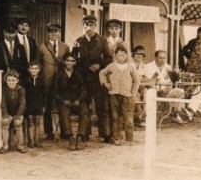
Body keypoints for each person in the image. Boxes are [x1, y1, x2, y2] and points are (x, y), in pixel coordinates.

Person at [73, 14, 110, 142]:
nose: (89, 27)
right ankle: (85, 133)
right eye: (86, 25)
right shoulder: (78, 41)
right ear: (83, 26)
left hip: (98, 78)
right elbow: (73, 59)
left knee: (102, 106)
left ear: (95, 26)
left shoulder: (103, 41)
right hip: (83, 79)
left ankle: (105, 133)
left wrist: (98, 65)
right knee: (85, 106)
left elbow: (108, 58)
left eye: (91, 25)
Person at [99, 45, 140, 145]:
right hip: (114, 95)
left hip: (127, 96)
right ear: (115, 56)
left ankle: (129, 139)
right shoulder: (111, 66)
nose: (121, 57)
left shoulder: (130, 67)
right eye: (119, 55)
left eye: (123, 55)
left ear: (126, 56)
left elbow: (136, 80)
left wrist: (132, 93)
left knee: (128, 118)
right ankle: (116, 138)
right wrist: (106, 84)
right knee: (115, 117)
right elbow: (102, 73)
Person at [38, 23, 70, 141]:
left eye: (56, 31)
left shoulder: (65, 47)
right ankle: (49, 132)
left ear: (59, 33)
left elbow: (68, 62)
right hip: (47, 81)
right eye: (51, 31)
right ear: (47, 33)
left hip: (61, 81)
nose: (53, 33)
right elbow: (38, 64)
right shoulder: (42, 47)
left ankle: (64, 131)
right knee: (47, 106)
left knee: (62, 106)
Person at [53, 51, 89, 150]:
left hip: (77, 102)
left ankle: (80, 137)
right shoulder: (58, 75)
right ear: (64, 62)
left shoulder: (78, 74)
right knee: (64, 112)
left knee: (85, 111)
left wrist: (79, 100)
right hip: (64, 102)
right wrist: (63, 100)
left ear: (75, 62)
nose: (70, 63)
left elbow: (84, 90)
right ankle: (70, 138)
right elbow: (55, 92)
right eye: (67, 60)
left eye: (72, 61)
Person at [145, 50, 188, 124]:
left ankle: (175, 113)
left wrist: (169, 87)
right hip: (153, 91)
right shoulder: (148, 66)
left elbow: (172, 81)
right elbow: (147, 82)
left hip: (166, 91)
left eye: (164, 58)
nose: (162, 60)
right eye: (160, 58)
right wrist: (155, 87)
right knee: (149, 92)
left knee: (180, 92)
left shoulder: (168, 67)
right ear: (155, 57)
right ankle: (149, 118)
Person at [0, 69, 27, 154]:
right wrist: (5, 115)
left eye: (13, 80)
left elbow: (22, 104)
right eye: (9, 80)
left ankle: (20, 145)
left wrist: (18, 116)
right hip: (8, 112)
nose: (11, 82)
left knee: (18, 123)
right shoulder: (4, 90)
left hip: (18, 112)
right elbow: (3, 103)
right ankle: (5, 145)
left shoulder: (21, 90)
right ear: (6, 80)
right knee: (5, 123)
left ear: (17, 80)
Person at [22, 61, 46, 148]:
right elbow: (23, 95)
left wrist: (44, 105)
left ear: (39, 69)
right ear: (28, 69)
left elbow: (44, 94)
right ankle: (31, 141)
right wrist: (24, 105)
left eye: (36, 68)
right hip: (29, 105)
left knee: (38, 123)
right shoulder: (26, 81)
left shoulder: (41, 80)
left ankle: (37, 141)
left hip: (39, 105)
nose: (34, 70)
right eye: (32, 68)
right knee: (30, 123)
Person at [131, 45, 149, 127]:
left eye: (141, 54)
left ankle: (145, 116)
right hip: (131, 87)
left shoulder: (144, 66)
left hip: (142, 87)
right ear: (133, 55)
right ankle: (139, 115)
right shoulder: (129, 65)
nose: (139, 56)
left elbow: (146, 77)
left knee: (147, 94)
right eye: (137, 54)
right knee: (136, 95)